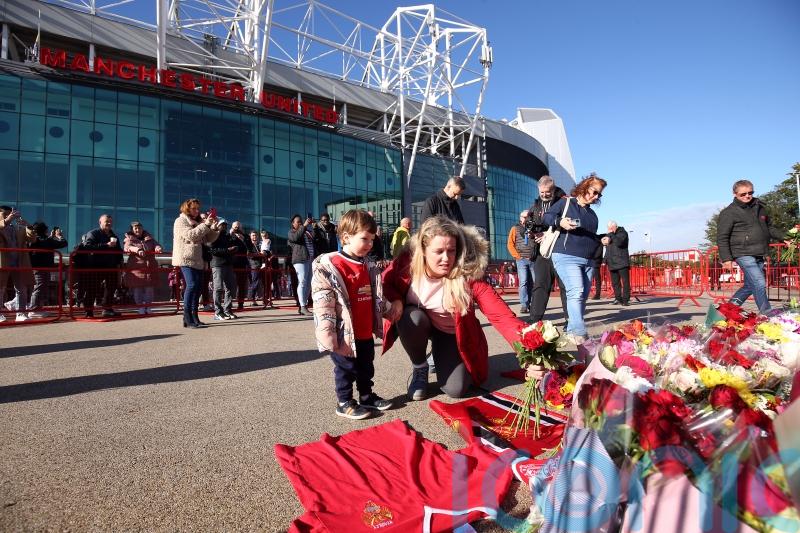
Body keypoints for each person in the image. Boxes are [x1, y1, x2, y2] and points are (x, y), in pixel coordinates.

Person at [382, 216, 542, 400]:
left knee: (456, 389)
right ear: (423, 251)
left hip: (450, 332)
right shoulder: (406, 264)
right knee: (411, 318)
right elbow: (385, 282)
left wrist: (530, 354)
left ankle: (440, 354)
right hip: (419, 322)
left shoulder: (468, 273)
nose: (446, 258)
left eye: (451, 251)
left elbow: (502, 316)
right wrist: (396, 300)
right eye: (439, 251)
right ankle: (420, 367)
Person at [311, 209, 394, 420]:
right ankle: (344, 401)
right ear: (346, 237)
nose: (369, 244)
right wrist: (326, 332)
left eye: (372, 240)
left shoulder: (368, 265)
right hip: (343, 332)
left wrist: (390, 310)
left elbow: (377, 295)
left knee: (366, 365)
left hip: (365, 330)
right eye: (364, 239)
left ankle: (366, 395)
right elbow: (324, 304)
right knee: (345, 368)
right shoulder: (331, 266)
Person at [543, 173, 607, 345]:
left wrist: (602, 238)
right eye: (594, 191)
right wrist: (560, 221)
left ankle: (571, 330)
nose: (595, 196)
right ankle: (580, 334)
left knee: (583, 295)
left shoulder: (593, 215)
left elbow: (591, 237)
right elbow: (546, 217)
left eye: (599, 194)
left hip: (588, 260)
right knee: (576, 291)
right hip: (565, 255)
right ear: (585, 186)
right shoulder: (565, 203)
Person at [717, 179, 785, 314]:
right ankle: (767, 314)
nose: (747, 196)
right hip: (742, 252)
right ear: (734, 194)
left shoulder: (760, 208)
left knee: (749, 285)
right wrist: (726, 259)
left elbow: (769, 228)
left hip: (759, 252)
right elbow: (722, 237)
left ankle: (726, 311)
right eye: (743, 194)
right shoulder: (729, 213)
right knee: (759, 282)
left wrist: (786, 238)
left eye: (750, 193)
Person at [171, 198, 220, 328]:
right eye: (194, 208)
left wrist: (213, 228)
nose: (197, 210)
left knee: (197, 288)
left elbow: (209, 238)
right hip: (185, 258)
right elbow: (191, 235)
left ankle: (194, 317)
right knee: (192, 285)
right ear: (187, 208)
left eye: (198, 208)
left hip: (198, 259)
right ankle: (187, 317)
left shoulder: (198, 221)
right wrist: (205, 225)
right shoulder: (180, 220)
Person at [526, 176, 568, 324]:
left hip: (560, 249)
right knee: (540, 285)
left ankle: (570, 321)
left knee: (564, 286)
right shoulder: (535, 206)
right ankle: (534, 320)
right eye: (541, 192)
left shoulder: (564, 202)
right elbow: (532, 227)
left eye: (547, 192)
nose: (544, 195)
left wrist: (548, 233)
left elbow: (569, 224)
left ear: (554, 189)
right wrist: (533, 234)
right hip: (542, 251)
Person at [81, 214, 124, 318]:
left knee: (111, 288)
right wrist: (106, 245)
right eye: (106, 221)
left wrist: (120, 262)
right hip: (96, 266)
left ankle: (107, 309)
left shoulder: (114, 236)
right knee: (92, 289)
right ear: (100, 222)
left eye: (110, 221)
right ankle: (88, 311)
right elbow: (87, 247)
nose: (109, 223)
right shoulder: (93, 233)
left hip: (111, 266)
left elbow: (118, 251)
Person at [0, 206, 35, 322]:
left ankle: (20, 313)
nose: (10, 215)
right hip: (2, 262)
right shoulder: (2, 225)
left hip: (18, 262)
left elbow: (32, 238)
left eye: (11, 214)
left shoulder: (18, 228)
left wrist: (28, 225)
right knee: (1, 288)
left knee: (21, 288)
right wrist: (7, 220)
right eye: (5, 214)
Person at [28, 221, 68, 317]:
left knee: (41, 287)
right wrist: (59, 236)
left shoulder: (36, 240)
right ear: (44, 230)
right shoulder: (46, 241)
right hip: (41, 267)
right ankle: (33, 310)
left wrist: (50, 237)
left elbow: (45, 243)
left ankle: (38, 308)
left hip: (37, 267)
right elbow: (63, 243)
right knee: (39, 287)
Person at [123, 221, 163, 315]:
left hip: (150, 268)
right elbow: (127, 247)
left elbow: (156, 244)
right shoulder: (129, 239)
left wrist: (158, 248)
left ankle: (148, 306)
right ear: (132, 230)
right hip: (137, 268)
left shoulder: (149, 238)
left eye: (139, 228)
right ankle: (140, 307)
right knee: (138, 289)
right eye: (135, 228)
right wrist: (137, 250)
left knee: (149, 289)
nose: (138, 230)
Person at [506, 210, 536, 314]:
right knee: (523, 282)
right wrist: (517, 256)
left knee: (534, 282)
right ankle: (524, 304)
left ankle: (534, 304)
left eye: (528, 216)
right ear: (520, 217)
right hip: (521, 260)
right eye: (524, 217)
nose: (526, 218)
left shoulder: (534, 227)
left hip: (533, 259)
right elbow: (510, 244)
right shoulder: (515, 228)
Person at [209, 219, 239, 321]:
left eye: (226, 225)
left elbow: (237, 246)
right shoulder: (214, 235)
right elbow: (212, 250)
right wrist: (228, 250)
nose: (224, 227)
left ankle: (227, 310)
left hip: (228, 264)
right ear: (218, 225)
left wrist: (234, 245)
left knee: (230, 287)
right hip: (217, 264)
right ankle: (218, 312)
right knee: (218, 288)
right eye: (222, 225)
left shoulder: (227, 236)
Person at [288, 214, 315, 315]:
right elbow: (295, 238)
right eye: (298, 222)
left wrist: (313, 227)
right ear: (293, 224)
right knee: (302, 281)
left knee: (308, 283)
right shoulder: (292, 232)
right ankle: (302, 306)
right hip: (300, 259)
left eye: (301, 221)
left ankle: (304, 306)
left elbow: (315, 239)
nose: (300, 223)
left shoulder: (306, 231)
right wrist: (304, 226)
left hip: (310, 259)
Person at [603, 220, 630, 306]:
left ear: (615, 226)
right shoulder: (610, 235)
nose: (609, 230)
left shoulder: (622, 233)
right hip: (612, 263)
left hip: (622, 262)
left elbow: (619, 243)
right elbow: (608, 248)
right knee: (615, 283)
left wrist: (610, 235)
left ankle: (625, 300)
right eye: (608, 229)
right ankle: (618, 298)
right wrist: (604, 260)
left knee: (625, 282)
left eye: (611, 228)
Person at [229, 221, 250, 311]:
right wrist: (230, 234)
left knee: (241, 284)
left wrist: (243, 239)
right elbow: (226, 245)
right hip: (231, 263)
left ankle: (240, 303)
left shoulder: (246, 237)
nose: (237, 228)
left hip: (242, 263)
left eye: (238, 227)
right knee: (229, 284)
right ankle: (228, 304)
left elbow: (250, 248)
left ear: (241, 228)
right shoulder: (229, 235)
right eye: (235, 227)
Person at [246, 230, 265, 306]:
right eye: (253, 235)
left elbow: (266, 252)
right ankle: (252, 299)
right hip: (253, 266)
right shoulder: (249, 245)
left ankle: (261, 298)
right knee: (254, 283)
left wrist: (265, 253)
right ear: (250, 236)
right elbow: (249, 254)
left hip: (261, 266)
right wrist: (259, 254)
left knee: (261, 283)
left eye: (255, 235)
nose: (254, 237)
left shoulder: (260, 245)